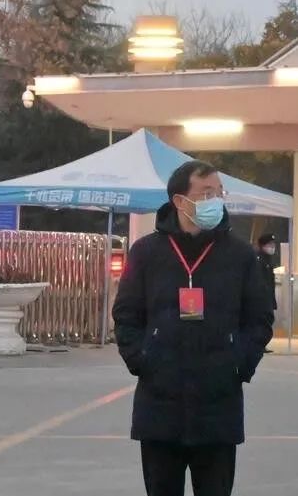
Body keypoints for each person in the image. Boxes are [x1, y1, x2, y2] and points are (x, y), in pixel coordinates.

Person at [113, 160, 274, 496]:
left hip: (218, 407)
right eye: (205, 193)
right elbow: (126, 315)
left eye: (219, 193)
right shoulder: (146, 253)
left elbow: (258, 319)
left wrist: (239, 362)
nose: (215, 200)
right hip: (160, 407)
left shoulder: (240, 256)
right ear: (179, 201)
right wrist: (143, 358)